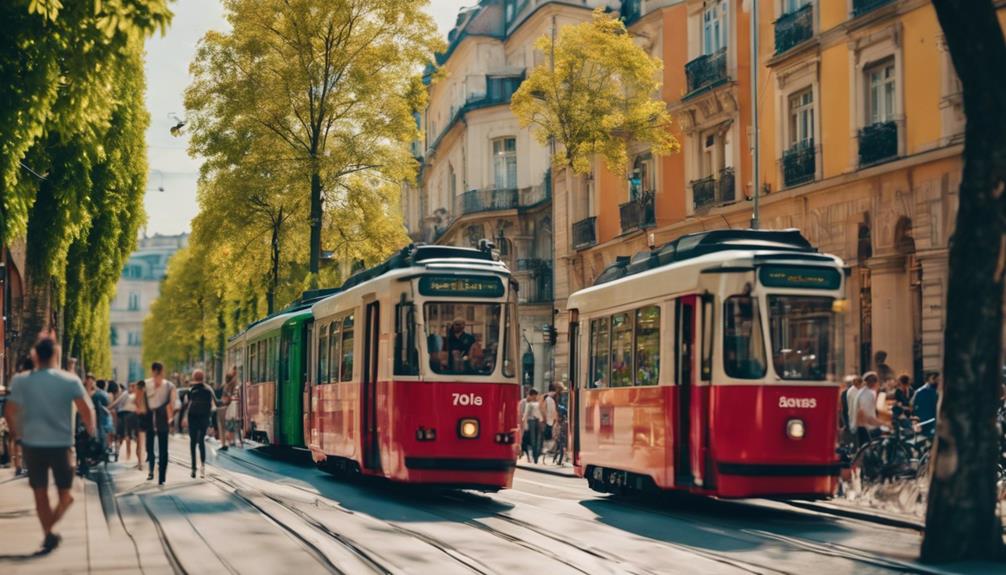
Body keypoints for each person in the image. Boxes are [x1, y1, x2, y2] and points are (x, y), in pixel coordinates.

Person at [3, 335, 94, 552]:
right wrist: (91, 433)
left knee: (40, 493)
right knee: (65, 494)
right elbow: (86, 409)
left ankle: (48, 532)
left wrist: (17, 435)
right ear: (56, 355)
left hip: (32, 443)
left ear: (35, 355)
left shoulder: (21, 380)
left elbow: (9, 411)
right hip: (62, 444)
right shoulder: (69, 380)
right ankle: (48, 533)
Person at [144, 362, 177, 485]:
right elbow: (173, 404)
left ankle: (156, 473)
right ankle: (156, 473)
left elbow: (173, 404)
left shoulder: (167, 386)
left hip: (156, 418)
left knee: (157, 447)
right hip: (156, 418)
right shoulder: (150, 384)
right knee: (157, 447)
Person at [182, 369, 216, 478]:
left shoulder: (191, 390)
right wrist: (211, 423)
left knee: (192, 442)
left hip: (193, 418)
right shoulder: (208, 390)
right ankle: (202, 466)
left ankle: (193, 468)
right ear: (203, 378)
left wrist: (184, 418)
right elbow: (213, 406)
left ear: (193, 378)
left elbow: (187, 405)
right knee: (201, 441)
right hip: (204, 418)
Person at [855, 372, 885, 447]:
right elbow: (868, 416)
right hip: (867, 428)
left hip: (862, 427)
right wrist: (884, 424)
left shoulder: (862, 392)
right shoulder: (868, 394)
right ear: (874, 383)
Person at [111, 381, 138, 463]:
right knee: (125, 436)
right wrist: (109, 407)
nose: (131, 388)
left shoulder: (134, 394)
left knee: (127, 436)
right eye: (130, 386)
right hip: (126, 415)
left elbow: (117, 402)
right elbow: (117, 402)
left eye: (133, 386)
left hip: (130, 415)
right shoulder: (127, 394)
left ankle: (128, 455)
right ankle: (126, 455)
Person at [90, 378, 113, 460]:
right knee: (105, 435)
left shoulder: (94, 394)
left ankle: (98, 453)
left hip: (96, 417)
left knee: (98, 435)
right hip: (105, 418)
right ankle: (104, 452)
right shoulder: (106, 395)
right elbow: (109, 405)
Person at [911, 371, 940, 436]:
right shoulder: (934, 392)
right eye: (935, 379)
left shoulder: (918, 391)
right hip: (930, 423)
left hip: (923, 422)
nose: (937, 381)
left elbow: (913, 407)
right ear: (929, 379)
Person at [522, 389, 544, 464]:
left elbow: (540, 413)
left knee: (538, 439)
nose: (536, 396)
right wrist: (525, 424)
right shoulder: (529, 404)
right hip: (531, 421)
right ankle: (535, 456)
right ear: (533, 395)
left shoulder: (538, 403)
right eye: (535, 395)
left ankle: (536, 456)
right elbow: (526, 414)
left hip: (537, 421)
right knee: (533, 440)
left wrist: (541, 421)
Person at [134, 380, 149, 471]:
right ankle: (145, 459)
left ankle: (140, 462)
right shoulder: (147, 393)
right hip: (147, 417)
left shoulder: (138, 393)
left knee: (139, 442)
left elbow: (137, 406)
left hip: (140, 417)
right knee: (146, 441)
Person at [542, 384, 558, 457]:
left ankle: (548, 450)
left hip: (551, 420)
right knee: (548, 436)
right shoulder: (548, 399)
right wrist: (545, 419)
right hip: (548, 420)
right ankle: (547, 450)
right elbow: (544, 409)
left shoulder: (551, 400)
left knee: (550, 435)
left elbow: (553, 411)